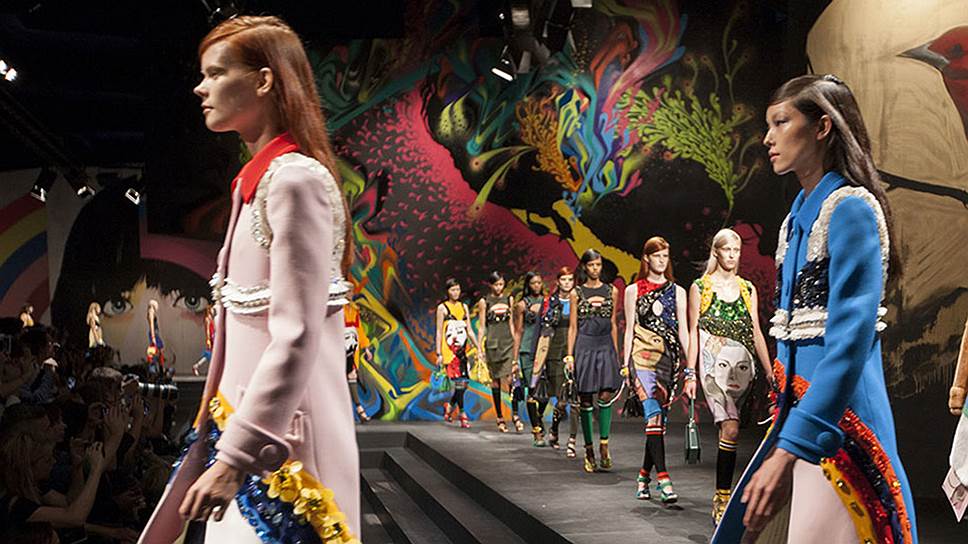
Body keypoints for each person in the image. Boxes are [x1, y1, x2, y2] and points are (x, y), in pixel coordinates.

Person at [139, 15, 359, 544]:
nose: (201, 87)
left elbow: (296, 334)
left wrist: (236, 458)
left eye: (216, 73)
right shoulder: (261, 182)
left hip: (285, 462)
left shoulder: (294, 180)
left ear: (263, 80)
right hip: (251, 441)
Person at [712, 75, 917, 543]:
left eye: (782, 122)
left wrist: (790, 449)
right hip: (802, 429)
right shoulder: (796, 219)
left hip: (844, 432)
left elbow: (847, 347)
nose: (768, 137)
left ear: (823, 127)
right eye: (769, 125)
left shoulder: (851, 209)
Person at [687, 227, 773, 523]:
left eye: (737, 250)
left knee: (733, 430)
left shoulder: (748, 288)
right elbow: (693, 332)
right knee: (731, 427)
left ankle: (723, 494)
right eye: (727, 250)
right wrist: (689, 373)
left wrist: (769, 371)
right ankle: (722, 497)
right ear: (716, 251)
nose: (732, 255)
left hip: (743, 364)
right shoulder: (701, 287)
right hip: (713, 364)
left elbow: (756, 330)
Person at [623, 237, 691, 503]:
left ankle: (643, 477)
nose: (662, 260)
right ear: (646, 258)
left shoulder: (678, 292)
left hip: (668, 362)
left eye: (665, 256)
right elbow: (629, 329)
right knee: (652, 416)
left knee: (657, 423)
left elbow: (683, 331)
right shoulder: (633, 290)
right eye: (657, 255)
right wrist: (624, 364)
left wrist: (691, 366)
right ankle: (664, 479)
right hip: (641, 358)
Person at [566, 249, 622, 473]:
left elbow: (613, 323)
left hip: (605, 343)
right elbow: (573, 327)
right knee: (586, 398)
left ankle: (604, 446)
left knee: (606, 394)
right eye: (591, 265)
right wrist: (570, 355)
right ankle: (589, 450)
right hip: (585, 344)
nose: (595, 269)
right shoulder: (576, 293)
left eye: (598, 264)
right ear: (584, 267)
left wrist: (616, 353)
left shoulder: (612, 291)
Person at [476, 272, 519, 433]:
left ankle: (515, 414)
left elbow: (511, 323)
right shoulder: (484, 301)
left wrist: (515, 343)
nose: (499, 287)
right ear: (490, 285)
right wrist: (479, 348)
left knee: (511, 378)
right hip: (493, 344)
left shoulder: (509, 299)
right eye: (496, 284)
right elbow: (482, 326)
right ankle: (500, 417)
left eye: (501, 284)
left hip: (508, 343)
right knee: (496, 381)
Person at [435, 278, 479, 429]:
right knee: (459, 383)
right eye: (453, 290)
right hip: (449, 351)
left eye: (458, 289)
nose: (456, 292)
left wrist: (478, 347)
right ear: (447, 291)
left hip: (462, 350)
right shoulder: (442, 308)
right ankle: (462, 415)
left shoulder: (463, 307)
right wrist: (439, 353)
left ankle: (449, 406)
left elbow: (469, 330)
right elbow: (439, 331)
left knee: (464, 384)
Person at [513, 272, 547, 446]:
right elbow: (518, 331)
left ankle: (538, 416)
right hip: (527, 350)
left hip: (544, 349)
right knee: (532, 391)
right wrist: (514, 359)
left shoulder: (548, 302)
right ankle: (537, 431)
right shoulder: (521, 305)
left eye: (539, 282)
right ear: (528, 285)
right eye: (533, 283)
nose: (537, 286)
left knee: (545, 393)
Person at [344, 300, 371, 423]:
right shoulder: (338, 309)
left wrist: (366, 348)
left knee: (352, 375)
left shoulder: (354, 310)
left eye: (351, 291)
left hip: (352, 344)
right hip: (339, 343)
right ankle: (358, 411)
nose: (350, 293)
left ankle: (359, 410)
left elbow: (359, 329)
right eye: (348, 291)